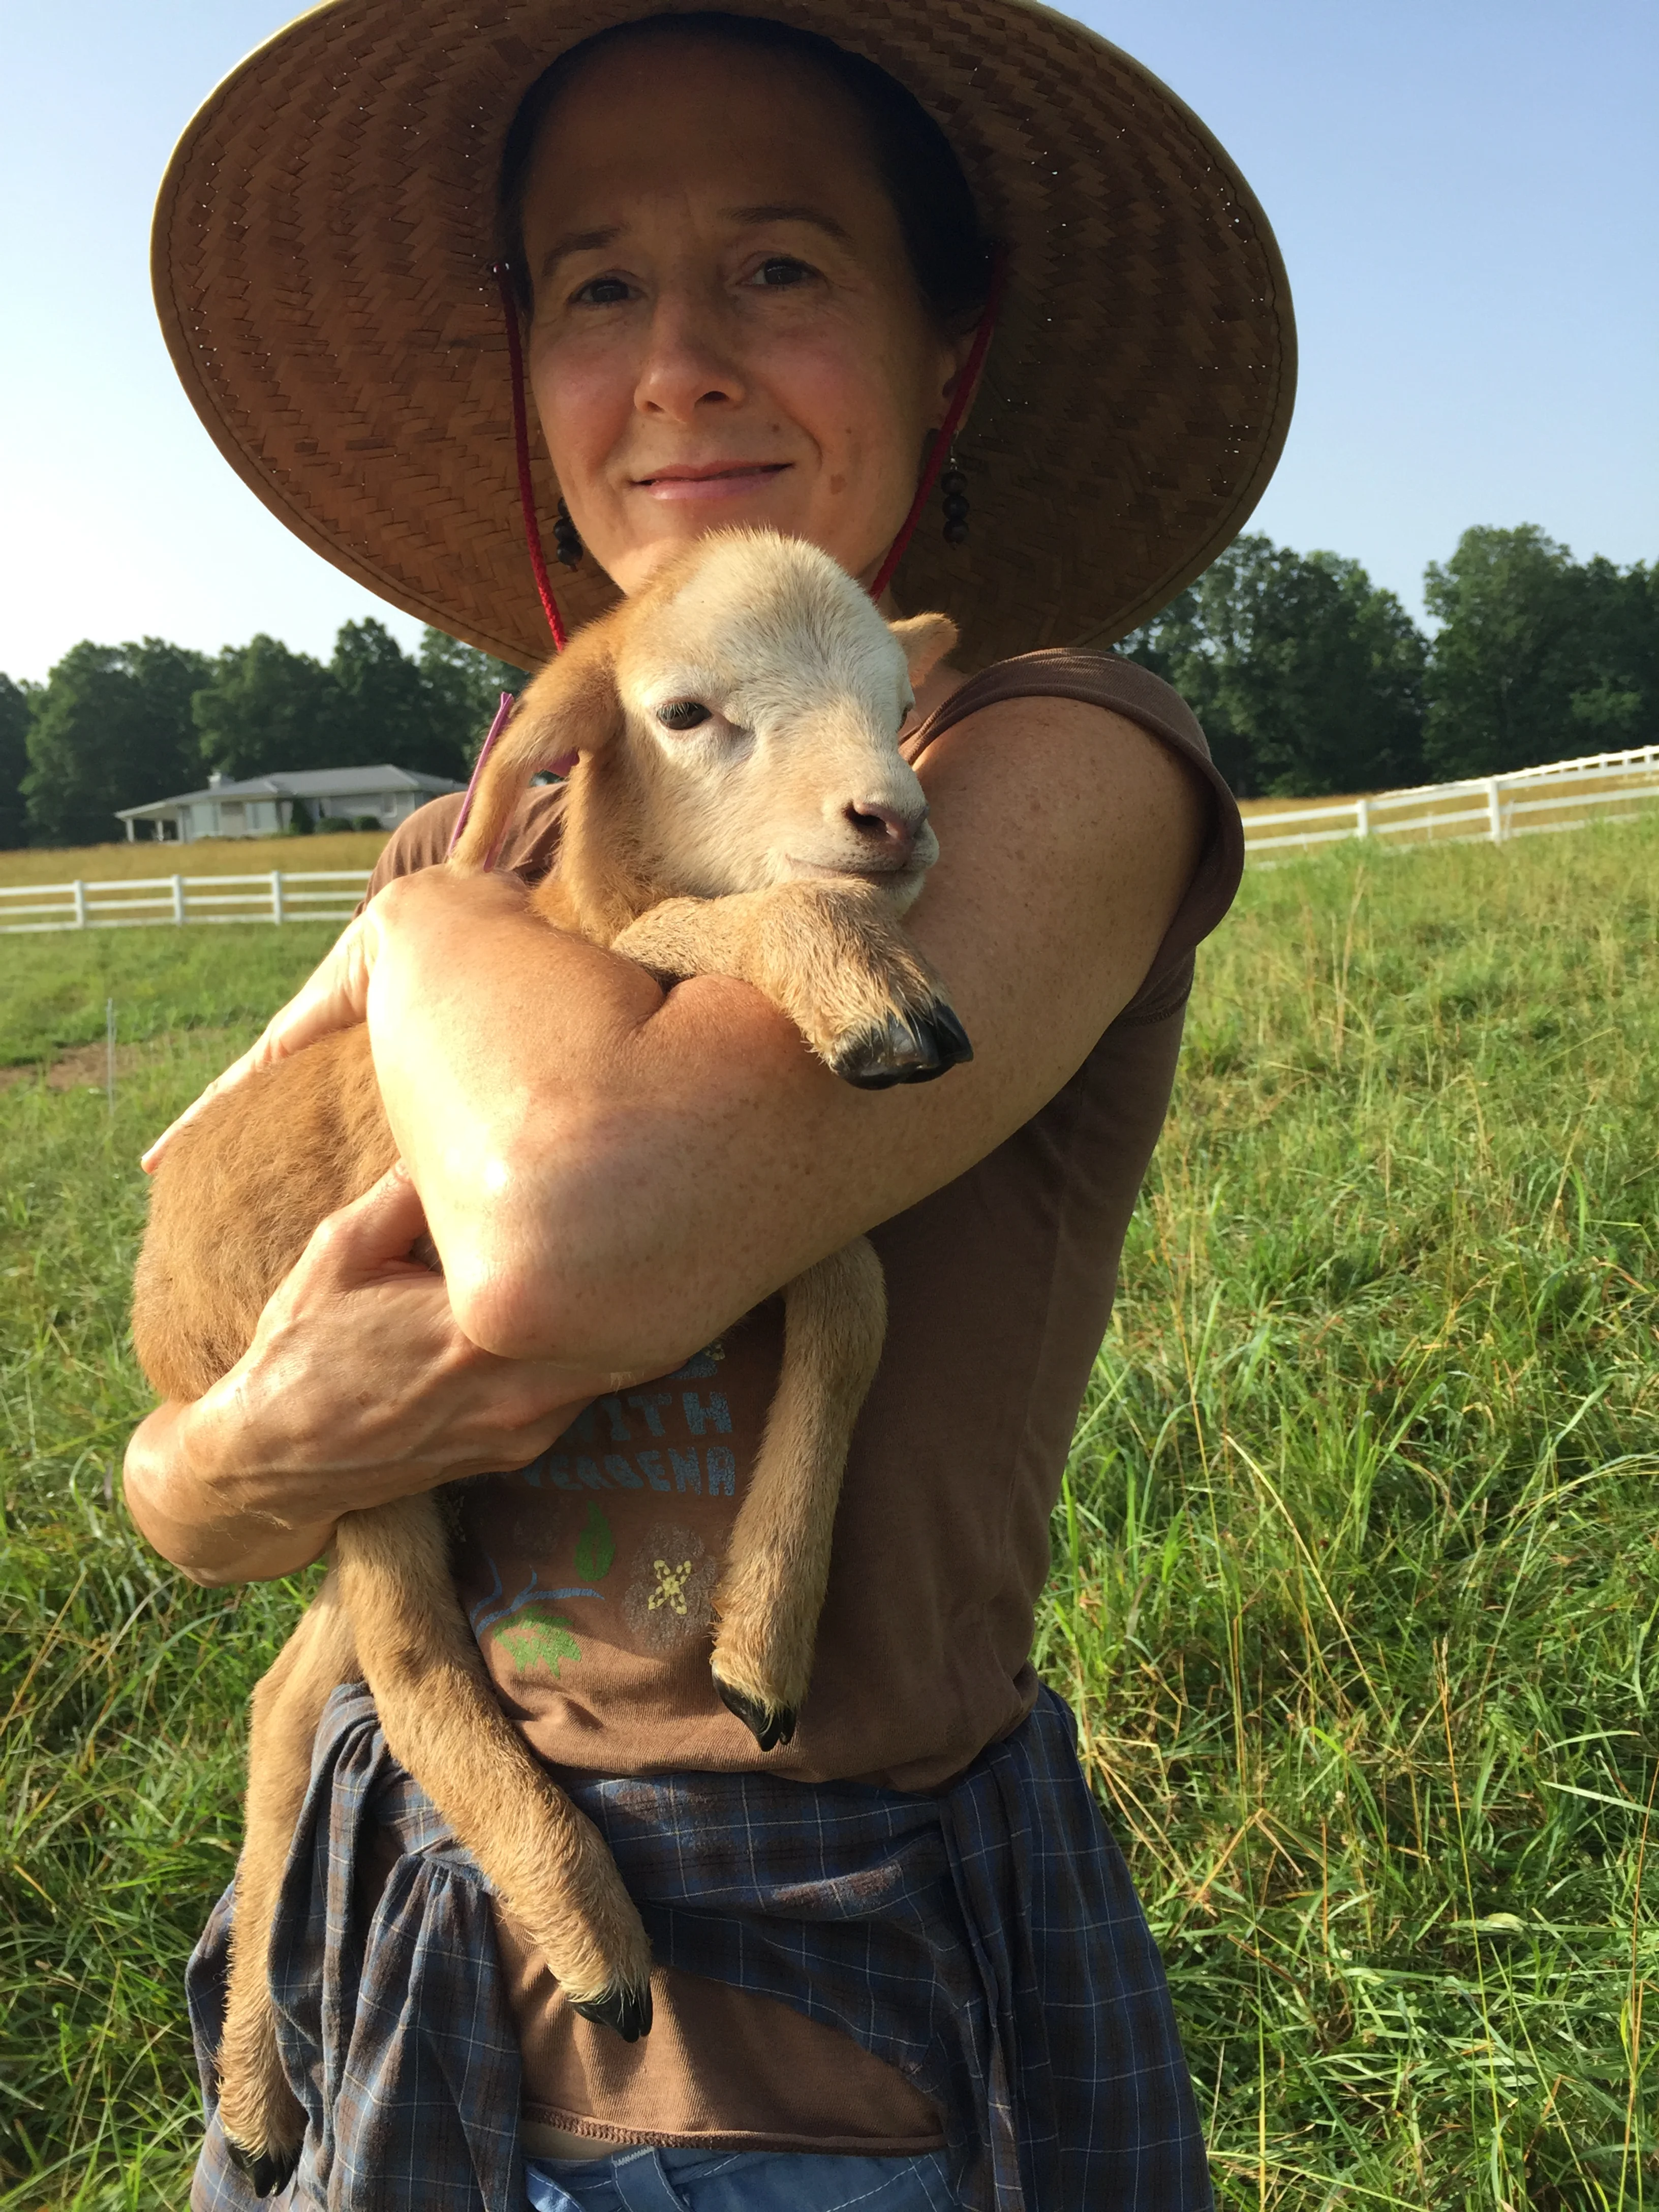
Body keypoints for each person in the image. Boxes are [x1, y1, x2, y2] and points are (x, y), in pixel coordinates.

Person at [125, 5, 1293, 2207]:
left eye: (780, 266)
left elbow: (580, 1222)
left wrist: (425, 929)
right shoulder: (516, 804)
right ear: (529, 369)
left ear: (951, 349)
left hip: (802, 2033)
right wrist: (213, 1460)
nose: (677, 361)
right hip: (382, 1935)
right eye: (595, 285)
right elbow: (213, 1486)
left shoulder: (1049, 765)